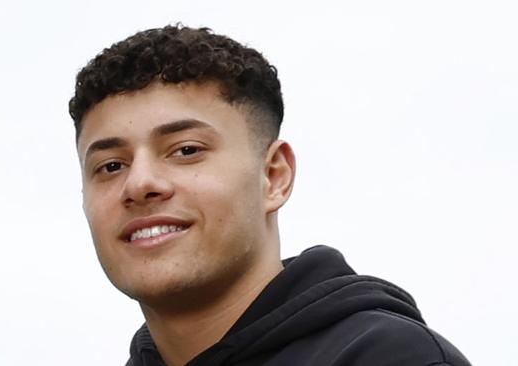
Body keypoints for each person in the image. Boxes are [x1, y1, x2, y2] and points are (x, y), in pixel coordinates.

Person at [68, 24, 471, 366]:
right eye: (111, 166)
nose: (139, 184)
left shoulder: (390, 357)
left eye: (186, 150)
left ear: (273, 176)